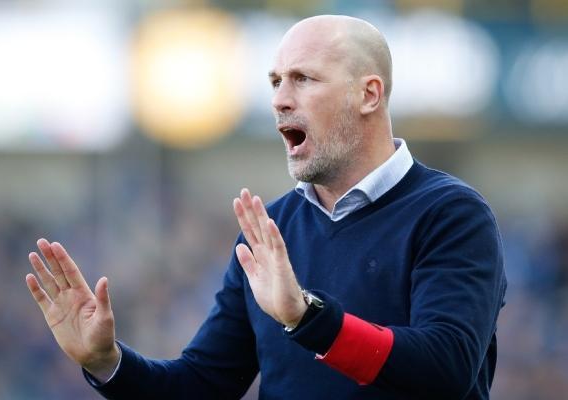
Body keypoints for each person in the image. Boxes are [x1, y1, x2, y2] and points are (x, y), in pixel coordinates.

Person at [25, 15, 507, 399]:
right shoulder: (271, 230)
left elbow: (447, 367)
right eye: (275, 81)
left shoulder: (451, 214)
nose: (280, 100)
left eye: (303, 79)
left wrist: (309, 319)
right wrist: (107, 362)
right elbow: (203, 385)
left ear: (368, 94)